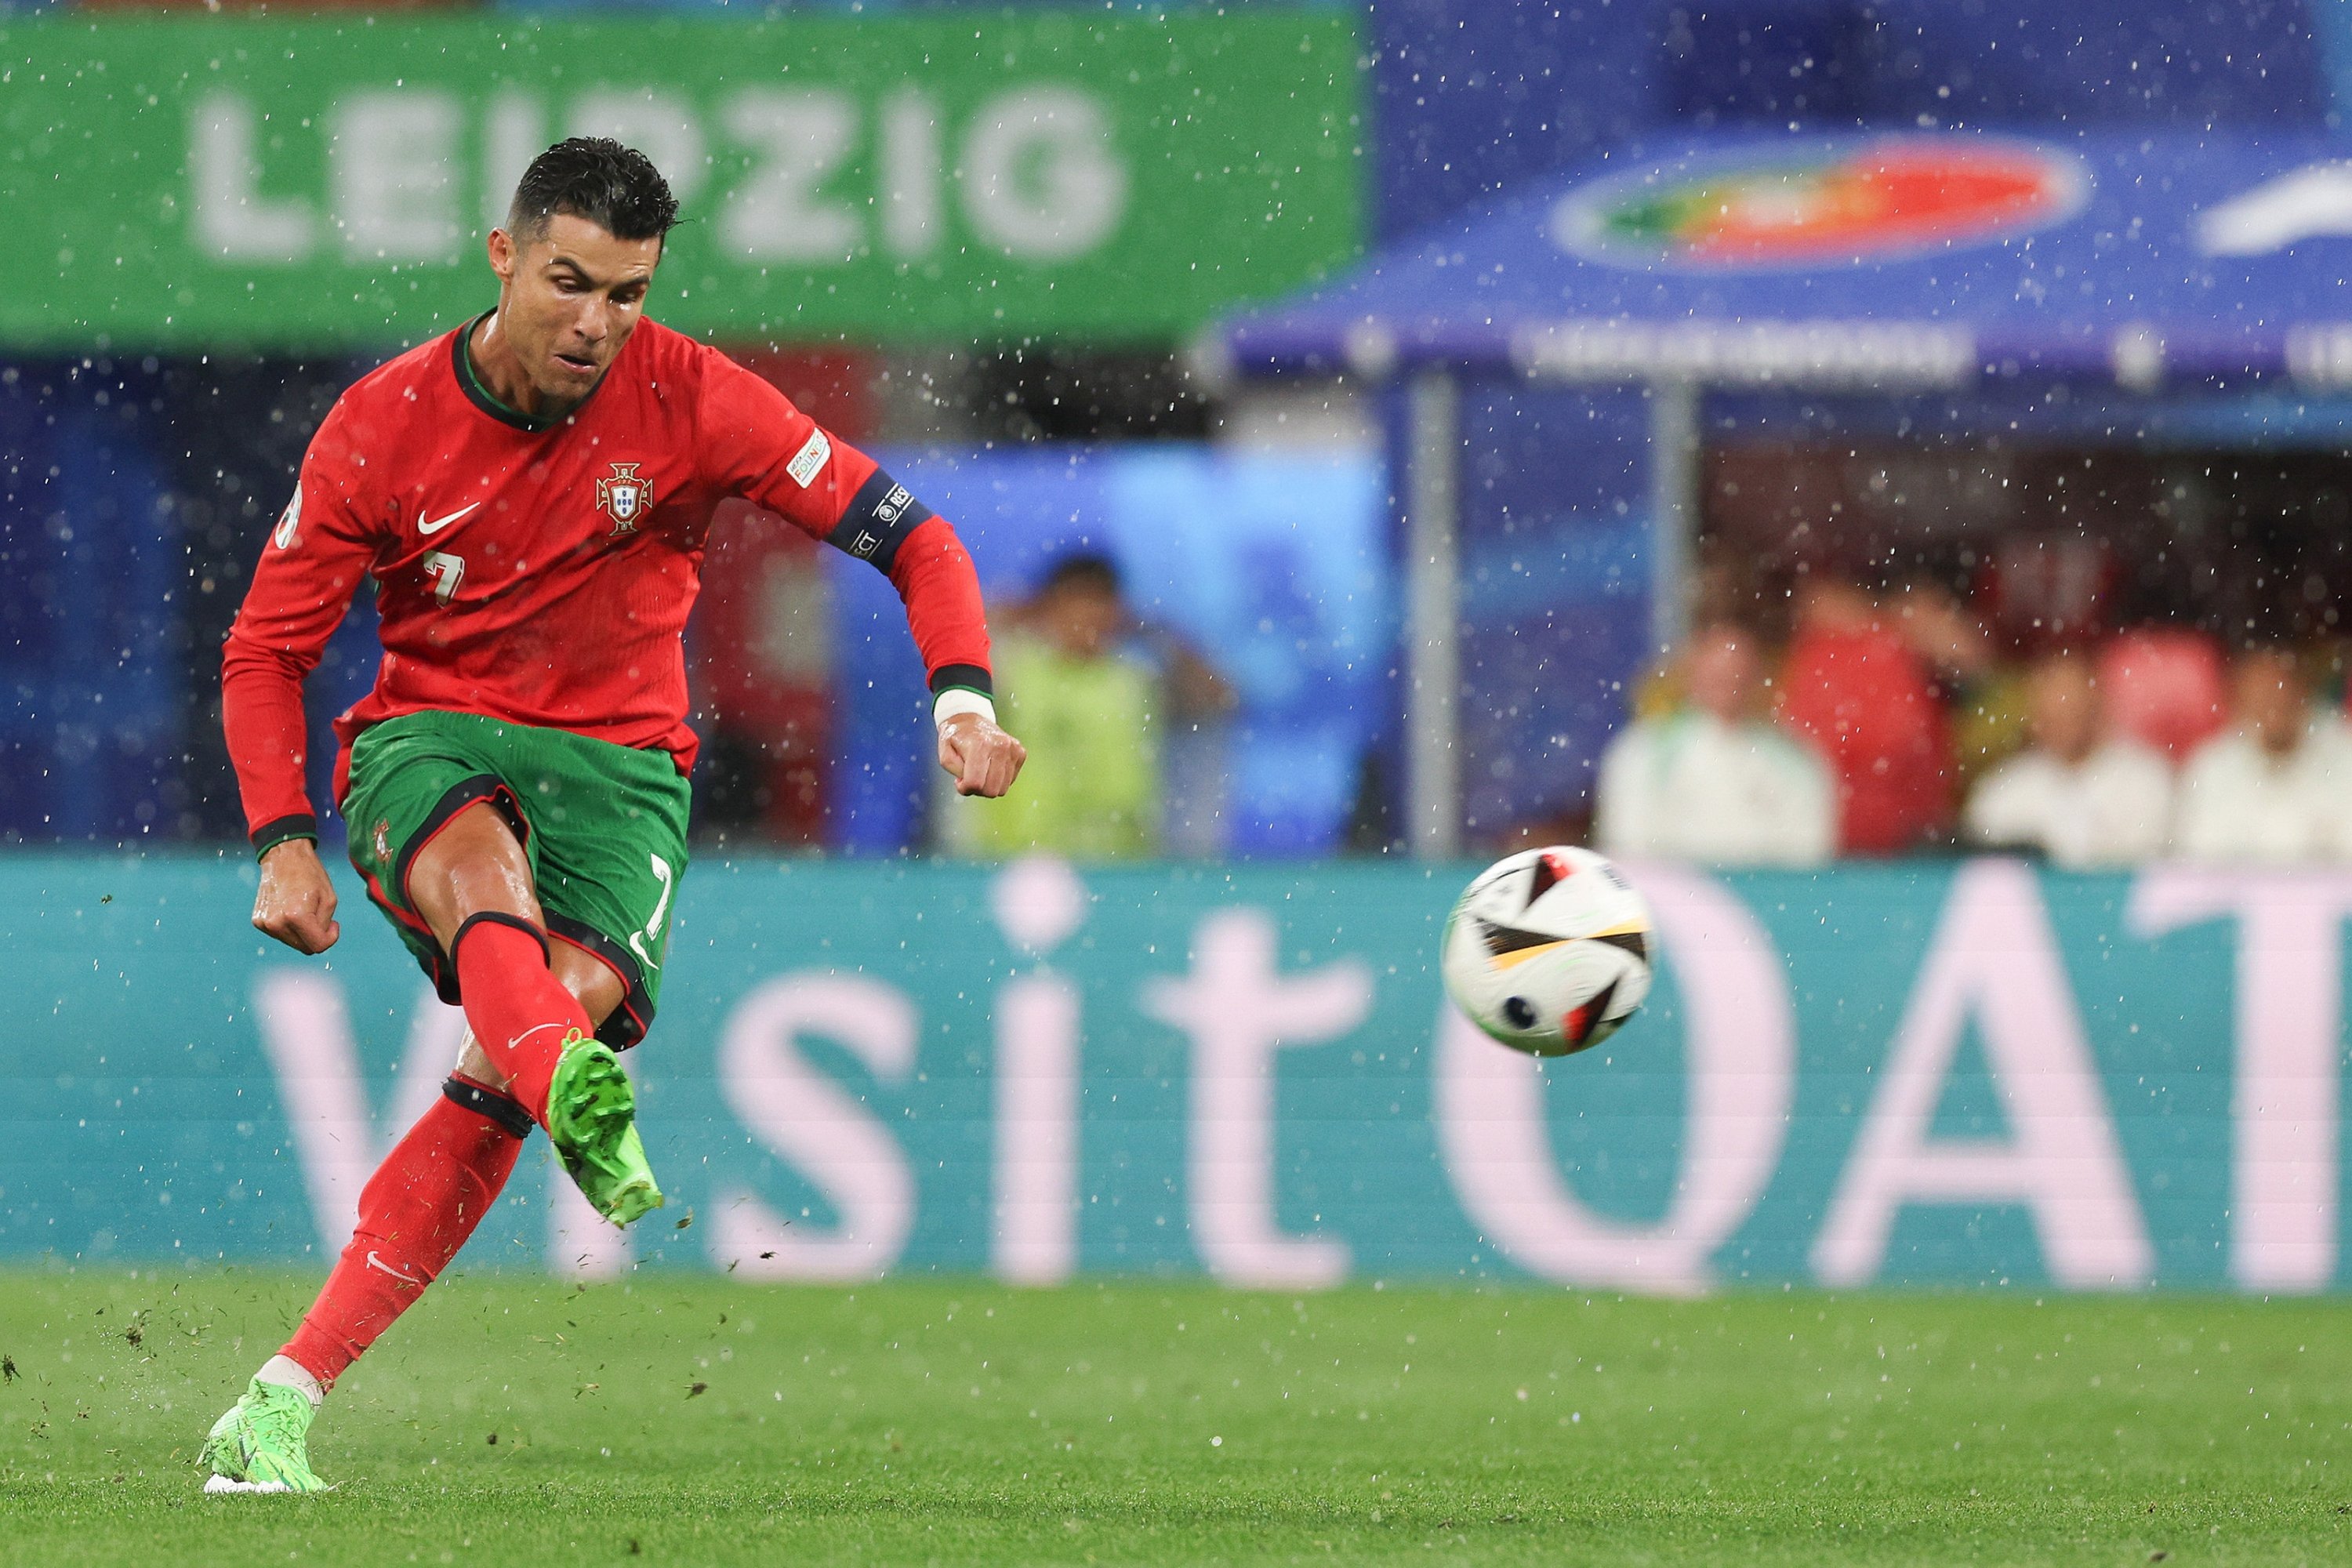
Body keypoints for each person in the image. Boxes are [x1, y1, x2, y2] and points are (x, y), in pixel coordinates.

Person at [202, 140, 1025, 1493]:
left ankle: (280, 1399)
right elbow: (263, 649)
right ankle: (563, 1071)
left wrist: (960, 704)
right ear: (504, 257)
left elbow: (913, 537)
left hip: (627, 766)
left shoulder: (698, 398)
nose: (595, 325)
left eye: (628, 295)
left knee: (525, 1037)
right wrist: (281, 835)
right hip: (432, 733)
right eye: (570, 284)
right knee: (483, 882)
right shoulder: (383, 422)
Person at [945, 554, 1181, 859]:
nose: (1087, 616)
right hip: (1017, 860)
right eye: (1076, 601)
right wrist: (1018, 614)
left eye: (1099, 603)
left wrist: (1154, 631)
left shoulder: (1137, 678)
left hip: (1121, 861)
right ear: (1049, 606)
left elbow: (1218, 696)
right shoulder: (1012, 669)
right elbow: (954, 641)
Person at [1594, 622, 1835, 865]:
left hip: (1766, 896)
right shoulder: (1643, 751)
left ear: (1756, 677)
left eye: (1736, 674)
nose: (1728, 684)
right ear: (1689, 673)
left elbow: (1807, 854)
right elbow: (1627, 846)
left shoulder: (1794, 759)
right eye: (1717, 675)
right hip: (1674, 895)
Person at [1962, 653, 2172, 866]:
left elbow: (2146, 867)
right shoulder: (2003, 788)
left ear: (2097, 705)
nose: (2064, 722)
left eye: (2073, 709)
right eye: (2054, 712)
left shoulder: (2146, 779)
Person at [2175, 644, 2351, 861]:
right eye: (2263, 694)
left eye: (2283, 689)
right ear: (2240, 700)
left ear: (2304, 692)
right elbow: (2196, 862)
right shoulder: (2211, 768)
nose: (2275, 702)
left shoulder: (2345, 756)